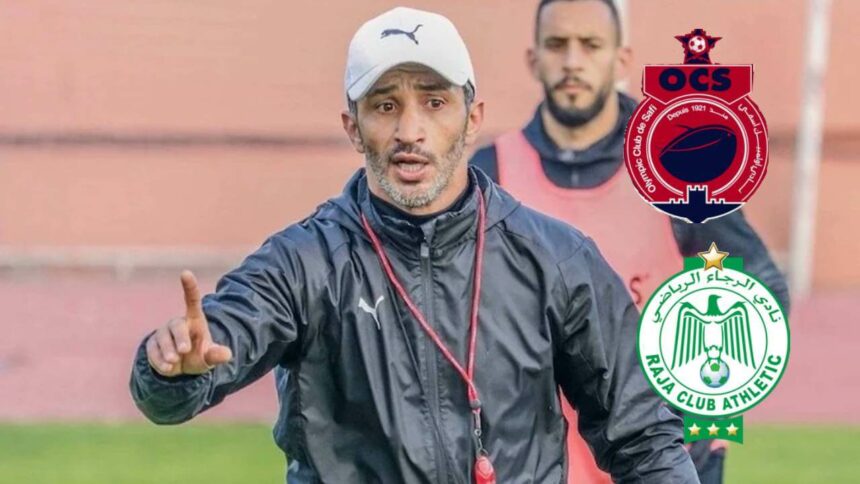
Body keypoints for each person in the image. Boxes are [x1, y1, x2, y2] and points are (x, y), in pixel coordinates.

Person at [130, 6, 699, 483]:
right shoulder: (303, 263)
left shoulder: (557, 259)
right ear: (353, 127)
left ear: (472, 119)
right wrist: (172, 371)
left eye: (434, 102)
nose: (409, 131)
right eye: (385, 106)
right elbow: (202, 360)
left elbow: (643, 437)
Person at [469, 1, 791, 483]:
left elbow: (761, 283)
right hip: (541, 464)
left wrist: (706, 411)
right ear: (533, 59)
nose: (572, 61)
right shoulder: (489, 174)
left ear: (621, 59)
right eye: (557, 45)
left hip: (665, 460)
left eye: (590, 45)